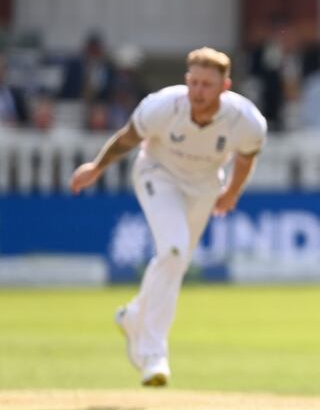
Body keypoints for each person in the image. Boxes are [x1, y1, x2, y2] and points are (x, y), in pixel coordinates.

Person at [69, 48, 267, 387]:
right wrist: (96, 168)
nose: (198, 91)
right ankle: (152, 353)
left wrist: (232, 192)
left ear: (225, 86)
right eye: (193, 82)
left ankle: (133, 316)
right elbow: (128, 138)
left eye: (207, 84)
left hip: (204, 185)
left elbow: (247, 157)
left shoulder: (246, 120)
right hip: (157, 174)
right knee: (173, 251)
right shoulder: (163, 106)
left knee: (175, 261)